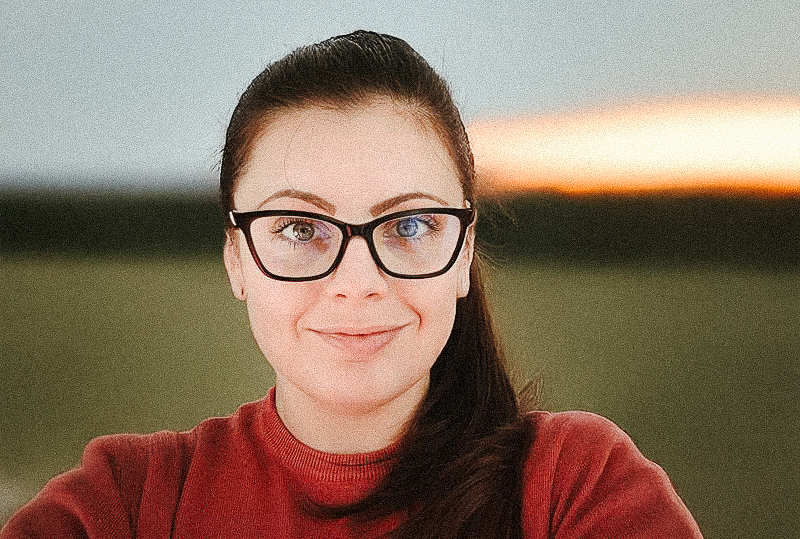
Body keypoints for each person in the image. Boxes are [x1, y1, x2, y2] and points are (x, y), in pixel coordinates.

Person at [1, 31, 703, 538]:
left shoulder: (571, 489)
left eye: (409, 226)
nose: (356, 283)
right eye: (301, 229)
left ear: (463, 252)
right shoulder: (130, 503)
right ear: (237, 260)